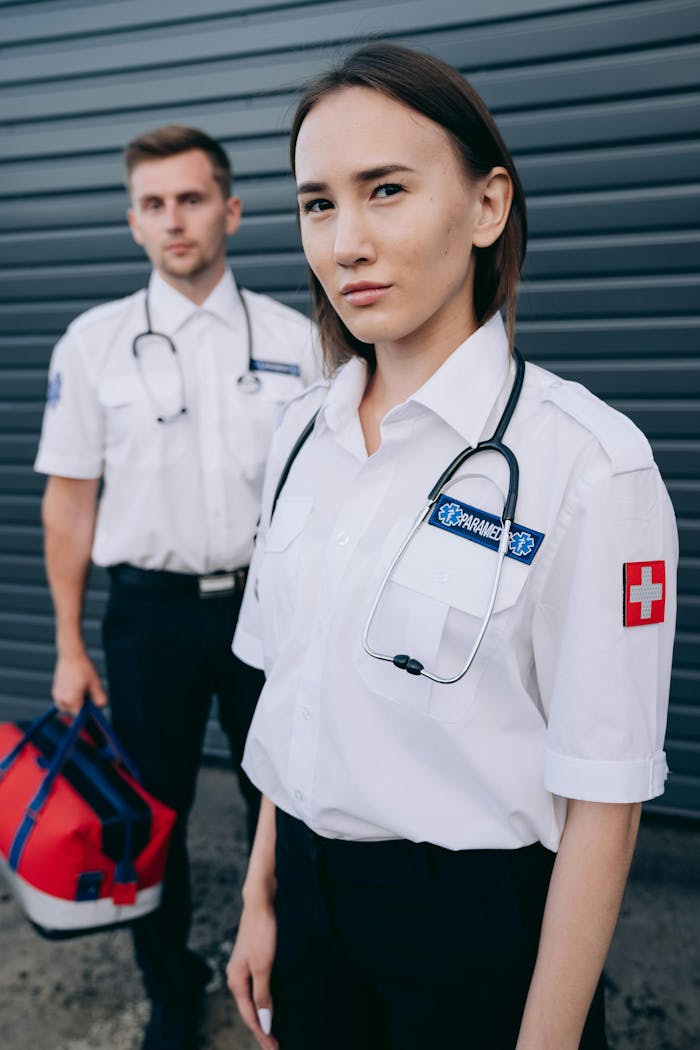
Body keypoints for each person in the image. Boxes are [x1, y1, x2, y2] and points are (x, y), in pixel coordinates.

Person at [225, 44, 678, 1050]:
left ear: (486, 207)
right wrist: (263, 899)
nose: (345, 242)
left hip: (469, 926)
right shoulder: (302, 433)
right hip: (306, 890)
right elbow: (291, 695)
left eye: (384, 189)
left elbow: (604, 802)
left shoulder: (589, 468)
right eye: (316, 204)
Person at [34, 124, 318, 1050]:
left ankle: (291, 973)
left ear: (230, 210)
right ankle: (171, 985)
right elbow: (70, 505)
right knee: (150, 816)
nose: (174, 220)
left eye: (191, 199)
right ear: (132, 222)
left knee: (287, 802)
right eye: (153, 205)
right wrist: (71, 647)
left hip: (270, 609)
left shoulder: (299, 339)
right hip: (147, 617)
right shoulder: (93, 344)